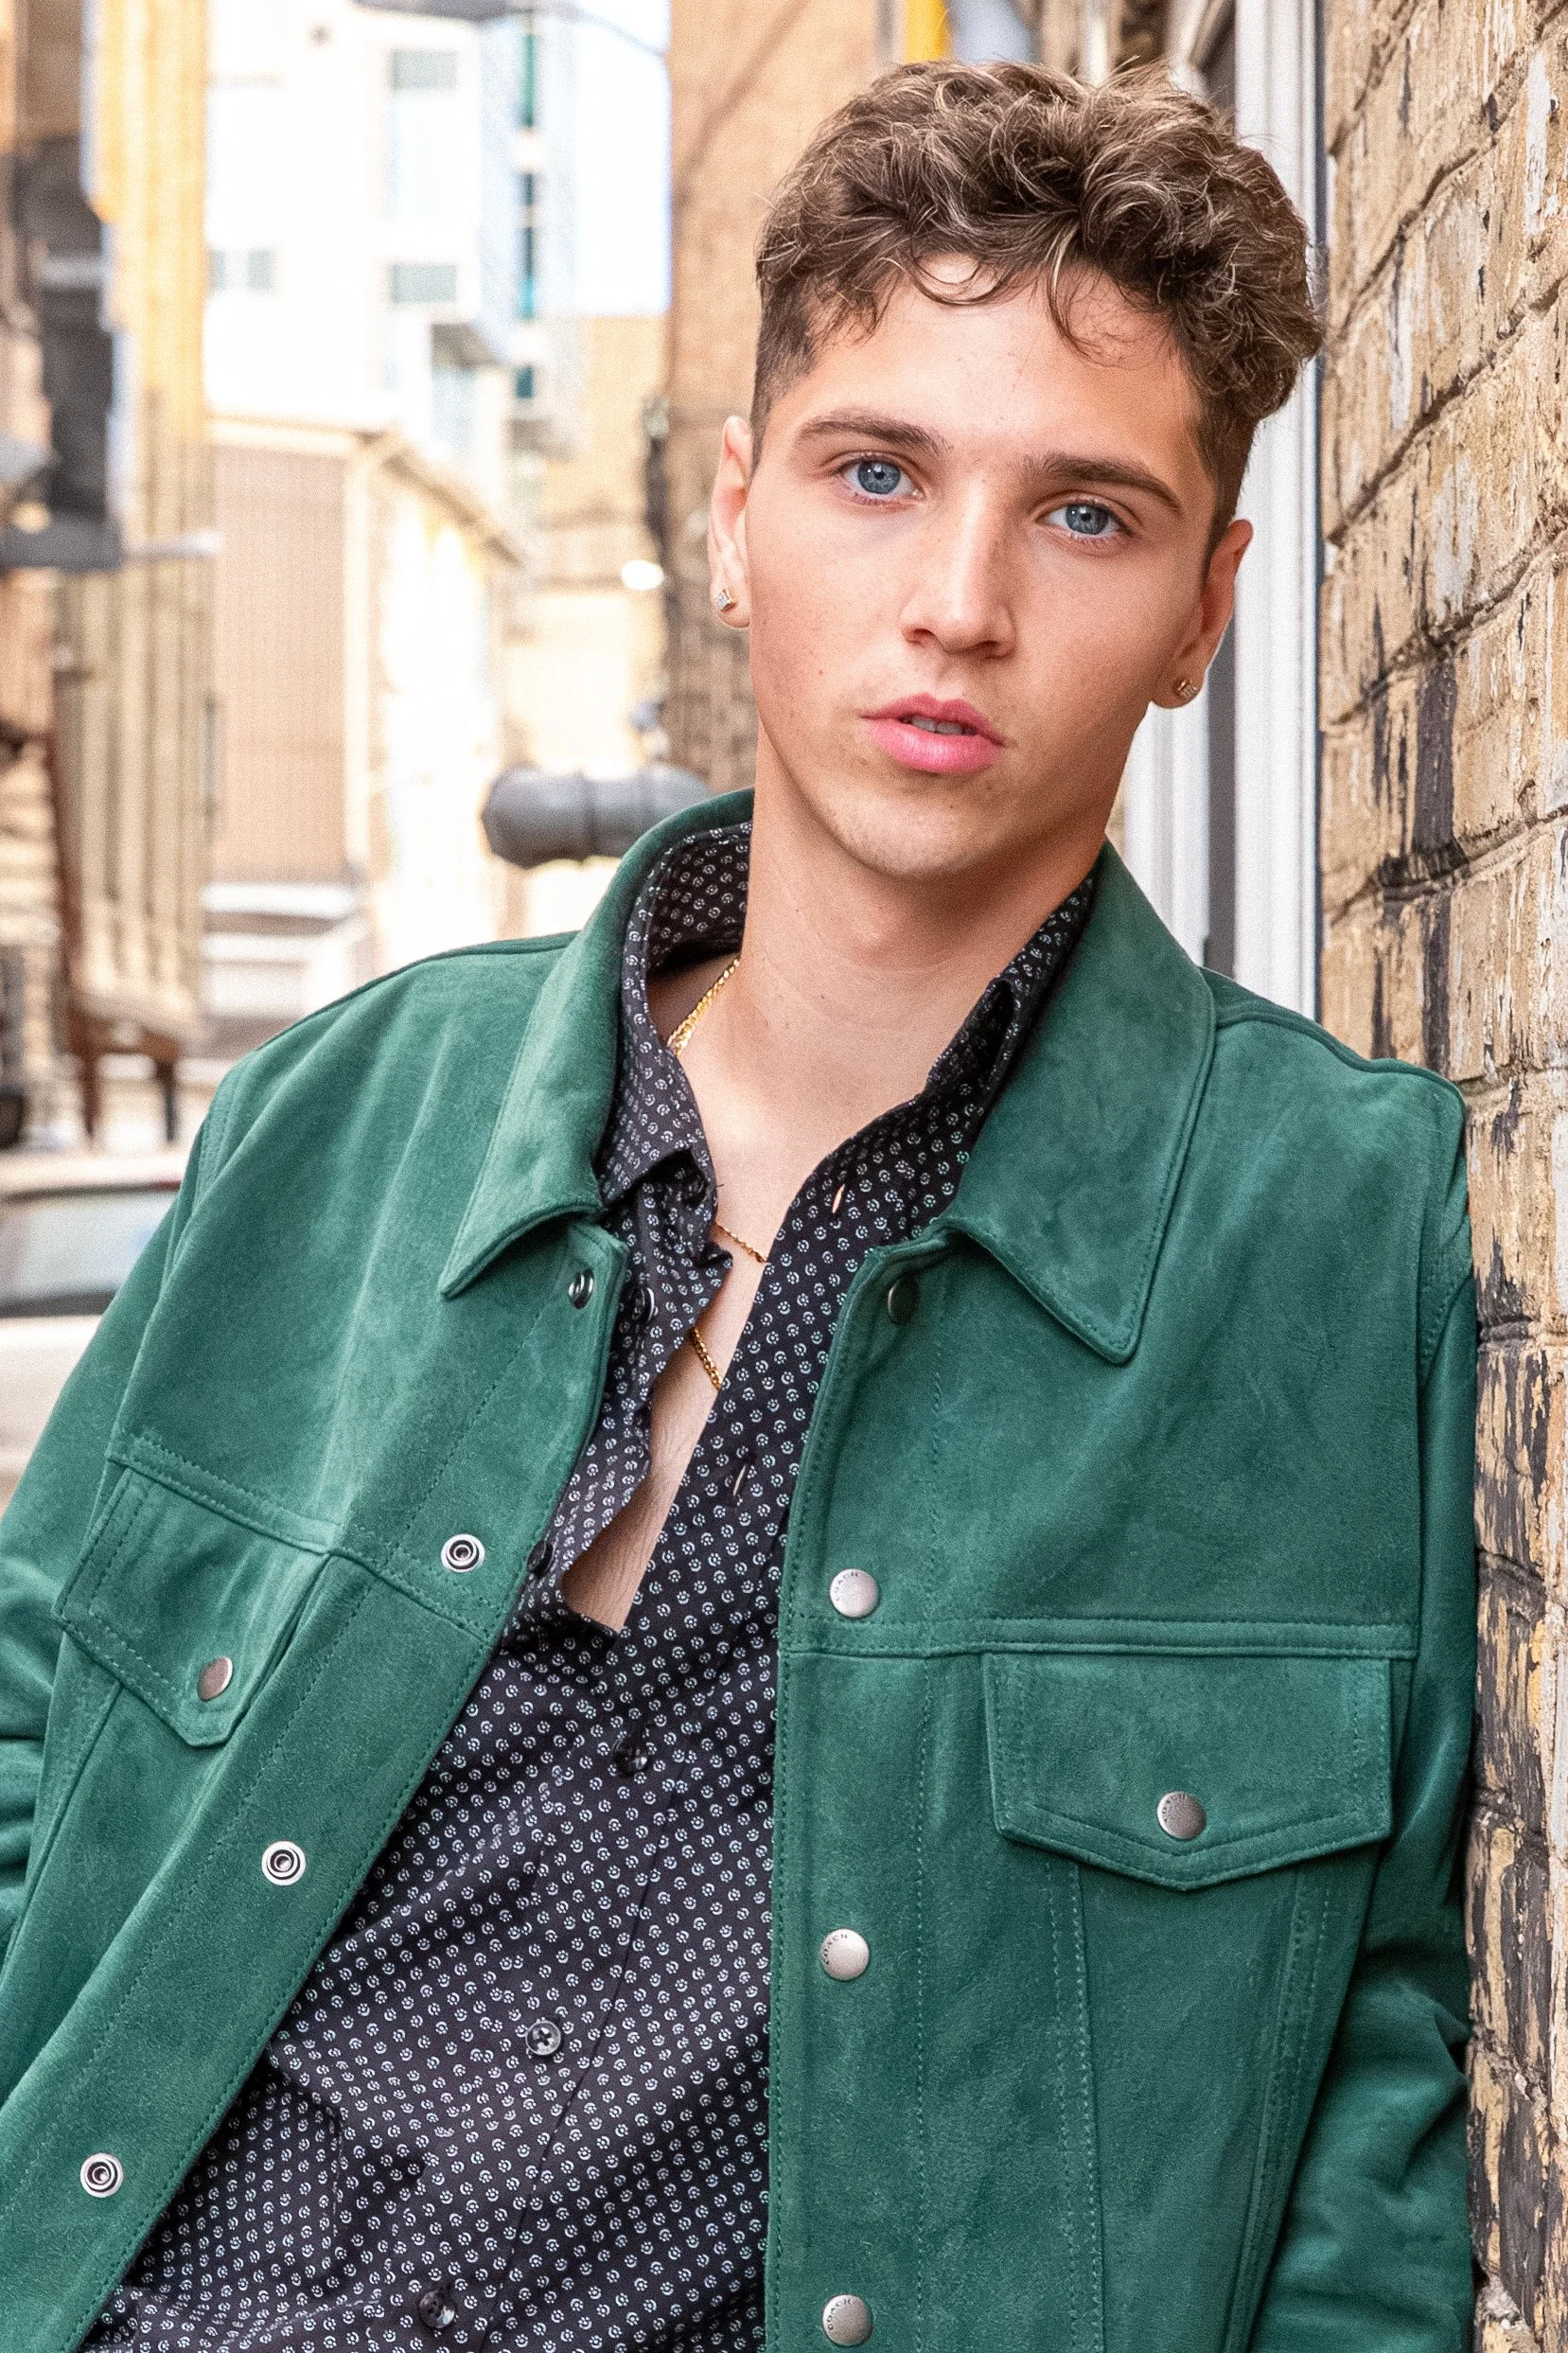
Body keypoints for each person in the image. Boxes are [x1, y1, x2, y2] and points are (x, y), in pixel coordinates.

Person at [0, 62, 1474, 2353]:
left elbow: (1366, 2118)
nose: (958, 604)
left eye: (1086, 515)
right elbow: (34, 1723)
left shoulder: (1345, 1241)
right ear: (729, 516)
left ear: (1209, 608)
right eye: (875, 473)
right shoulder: (344, 1118)